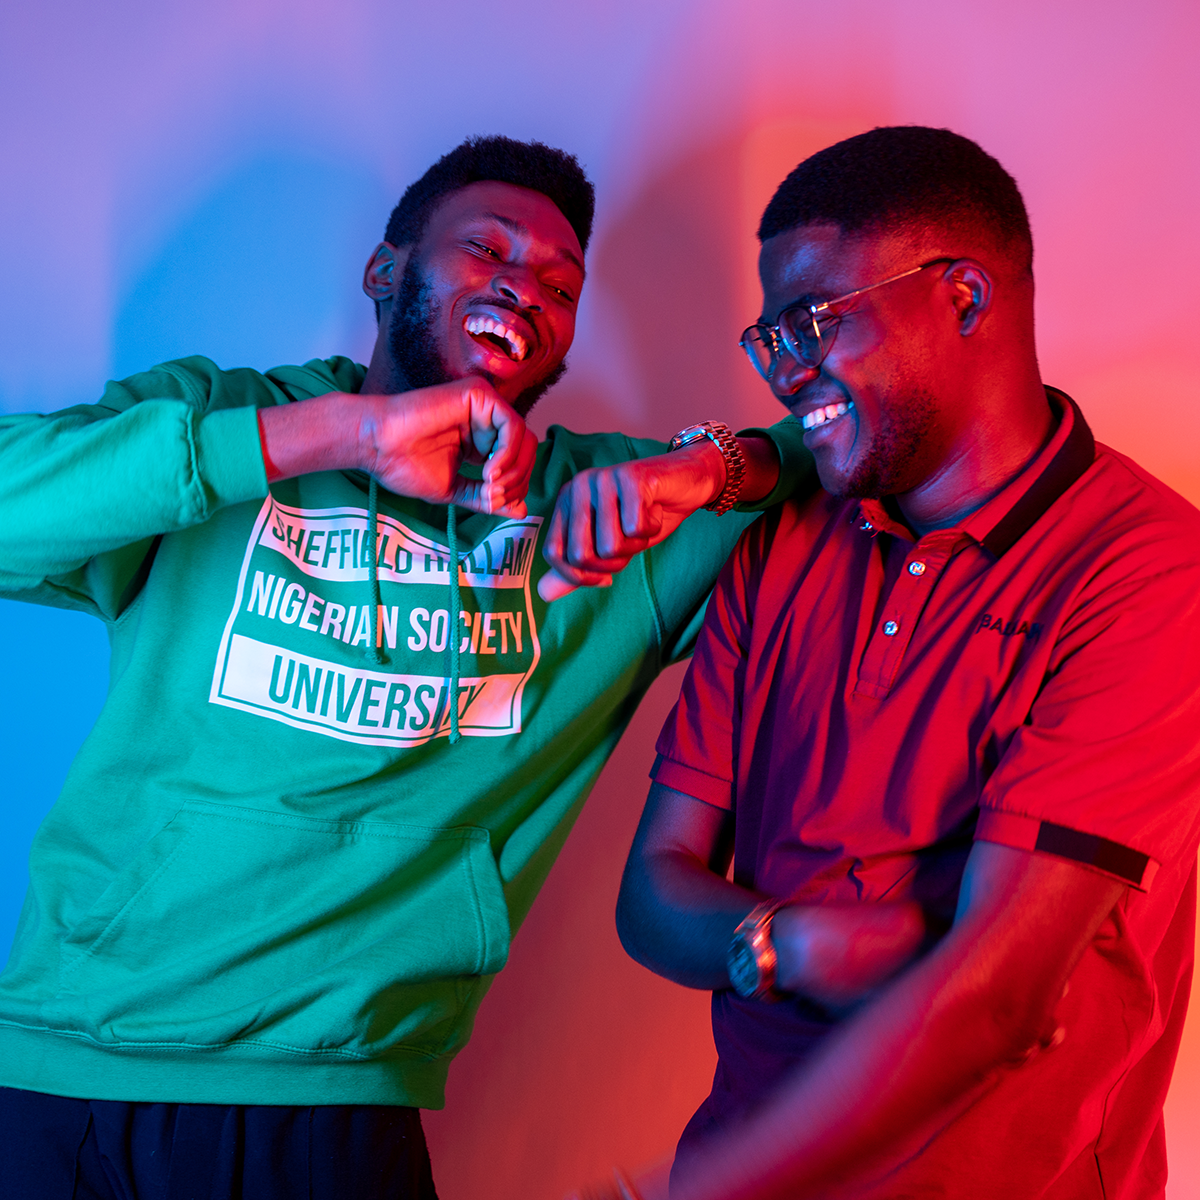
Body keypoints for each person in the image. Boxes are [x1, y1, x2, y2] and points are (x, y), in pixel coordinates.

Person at [0, 135, 816, 1199]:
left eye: (561, 284)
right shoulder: (231, 426)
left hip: (340, 1103)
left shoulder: (609, 517)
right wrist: (340, 436)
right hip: (63, 1070)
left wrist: (707, 468)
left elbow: (859, 445)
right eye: (488, 250)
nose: (524, 288)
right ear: (387, 275)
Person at [604, 126, 1200, 1200]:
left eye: (814, 324)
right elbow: (651, 891)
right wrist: (773, 939)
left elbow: (998, 999)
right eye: (769, 337)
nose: (788, 374)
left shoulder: (1150, 571)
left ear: (963, 298)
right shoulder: (785, 543)